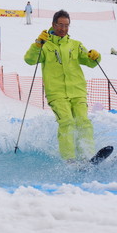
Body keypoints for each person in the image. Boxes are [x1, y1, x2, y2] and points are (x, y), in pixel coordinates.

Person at [24, 9, 101, 162]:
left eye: (67, 25)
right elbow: (29, 60)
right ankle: (70, 159)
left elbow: (90, 62)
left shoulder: (75, 45)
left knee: (83, 122)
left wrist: (96, 57)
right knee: (67, 122)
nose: (63, 29)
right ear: (53, 24)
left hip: (77, 91)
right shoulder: (44, 45)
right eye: (60, 25)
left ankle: (87, 155)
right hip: (57, 93)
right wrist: (37, 45)